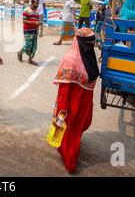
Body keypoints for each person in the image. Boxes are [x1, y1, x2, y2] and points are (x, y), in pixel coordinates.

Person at [52, 28, 100, 173]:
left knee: (74, 130)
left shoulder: (88, 55)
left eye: (93, 41)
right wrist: (63, 108)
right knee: (71, 132)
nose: (92, 44)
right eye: (89, 42)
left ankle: (65, 151)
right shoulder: (70, 60)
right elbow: (64, 89)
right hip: (72, 104)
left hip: (84, 102)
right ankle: (70, 162)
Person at [17, 0, 40, 65]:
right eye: (36, 3)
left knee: (34, 46)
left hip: (35, 31)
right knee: (28, 46)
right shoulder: (26, 10)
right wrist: (34, 23)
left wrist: (38, 27)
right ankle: (20, 52)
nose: (38, 5)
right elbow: (24, 21)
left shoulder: (37, 11)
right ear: (32, 3)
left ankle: (30, 59)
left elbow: (37, 20)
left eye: (38, 3)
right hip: (28, 31)